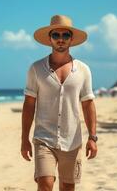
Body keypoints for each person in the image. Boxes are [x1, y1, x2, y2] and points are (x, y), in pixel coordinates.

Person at [21, 15, 97, 191]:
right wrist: (24, 139)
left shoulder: (83, 70)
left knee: (68, 187)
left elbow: (88, 104)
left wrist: (92, 137)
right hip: (43, 139)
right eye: (56, 35)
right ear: (50, 38)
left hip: (72, 141)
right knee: (45, 184)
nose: (60, 39)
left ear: (71, 39)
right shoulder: (36, 69)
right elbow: (29, 105)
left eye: (65, 35)